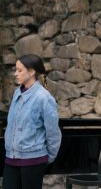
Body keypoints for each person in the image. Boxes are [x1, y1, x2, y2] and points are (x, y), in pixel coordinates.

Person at [2, 54, 61, 189]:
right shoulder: (17, 93)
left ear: (32, 71)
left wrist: (47, 158)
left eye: (20, 70)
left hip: (33, 161)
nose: (16, 74)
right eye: (16, 70)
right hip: (11, 159)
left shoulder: (44, 98)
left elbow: (53, 133)